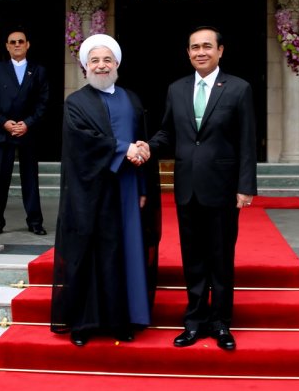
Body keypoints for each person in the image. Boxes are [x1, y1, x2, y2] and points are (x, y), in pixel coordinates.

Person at [145, 26, 257, 351]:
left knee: (221, 258)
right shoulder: (176, 89)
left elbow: (247, 141)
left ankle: (221, 323)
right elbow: (167, 132)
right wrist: (147, 147)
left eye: (207, 46)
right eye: (195, 47)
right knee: (192, 258)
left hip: (223, 188)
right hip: (187, 188)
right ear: (188, 53)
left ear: (220, 51)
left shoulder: (238, 88)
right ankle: (193, 321)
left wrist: (245, 186)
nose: (200, 52)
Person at [50, 34, 161, 347]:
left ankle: (121, 321)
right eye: (95, 60)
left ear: (117, 64)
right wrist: (123, 149)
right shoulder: (76, 102)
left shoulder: (131, 100)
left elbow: (142, 140)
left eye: (107, 60)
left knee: (125, 253)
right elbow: (83, 142)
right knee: (89, 254)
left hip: (126, 187)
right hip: (89, 191)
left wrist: (142, 186)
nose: (101, 66)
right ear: (86, 66)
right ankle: (83, 323)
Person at [0, 27, 49, 237]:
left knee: (30, 179)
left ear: (27, 45)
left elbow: (43, 101)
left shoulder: (38, 70)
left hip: (28, 131)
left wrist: (27, 123)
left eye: (21, 41)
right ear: (7, 46)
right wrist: (4, 122)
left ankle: (35, 221)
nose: (17, 45)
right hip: (3, 130)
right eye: (12, 42)